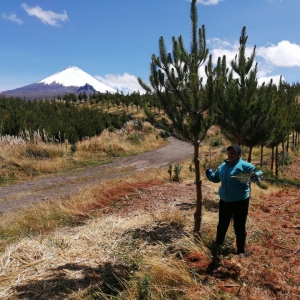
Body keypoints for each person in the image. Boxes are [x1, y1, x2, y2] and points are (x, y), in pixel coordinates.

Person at [206, 144, 262, 255]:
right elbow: (216, 178)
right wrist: (209, 175)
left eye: (234, 153)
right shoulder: (223, 166)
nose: (231, 155)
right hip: (224, 201)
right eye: (229, 152)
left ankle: (240, 250)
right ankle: (218, 245)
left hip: (240, 202)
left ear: (239, 154)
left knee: (239, 226)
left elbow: (259, 172)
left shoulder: (244, 165)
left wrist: (255, 176)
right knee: (222, 224)